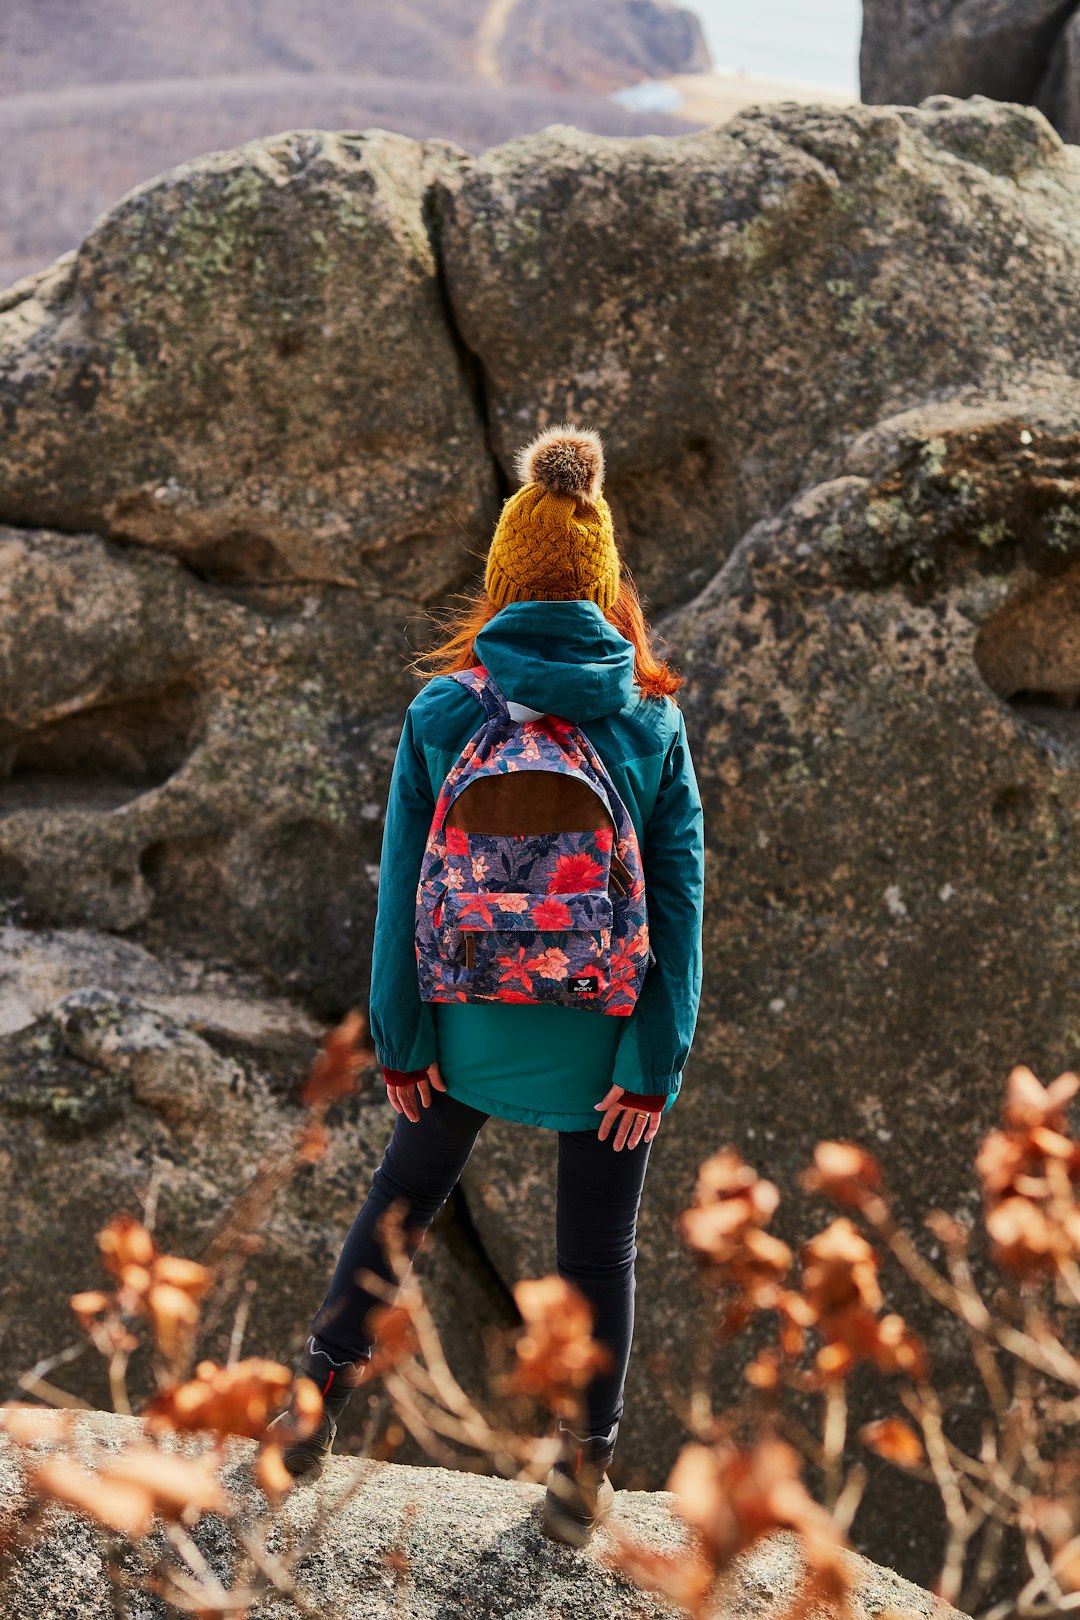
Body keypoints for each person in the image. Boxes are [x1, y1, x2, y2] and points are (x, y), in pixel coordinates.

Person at [272, 425, 704, 1547]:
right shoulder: (650, 717)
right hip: (601, 1026)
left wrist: (402, 1041)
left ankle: (313, 1405)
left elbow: (402, 889)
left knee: (402, 1202)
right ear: (605, 584)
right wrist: (651, 1063)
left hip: (462, 1018)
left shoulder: (447, 711)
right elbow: (680, 904)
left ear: (503, 581)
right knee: (594, 1250)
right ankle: (581, 1476)